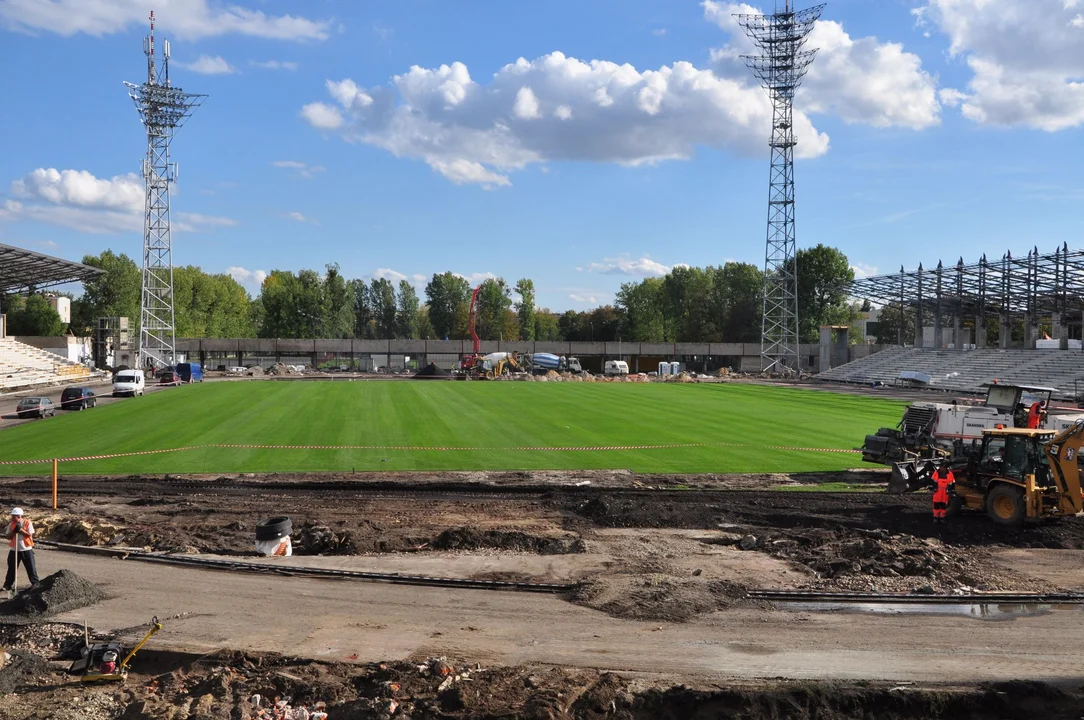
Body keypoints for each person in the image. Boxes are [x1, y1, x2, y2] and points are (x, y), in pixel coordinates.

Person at [3, 507, 39, 592]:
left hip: (26, 549)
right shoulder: (11, 524)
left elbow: (30, 534)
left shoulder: (27, 522)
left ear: (19, 516)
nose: (12, 518)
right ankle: (8, 585)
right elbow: (8, 537)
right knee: (11, 568)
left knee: (31, 567)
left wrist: (21, 530)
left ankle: (35, 583)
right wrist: (14, 531)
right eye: (12, 516)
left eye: (13, 516)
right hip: (14, 549)